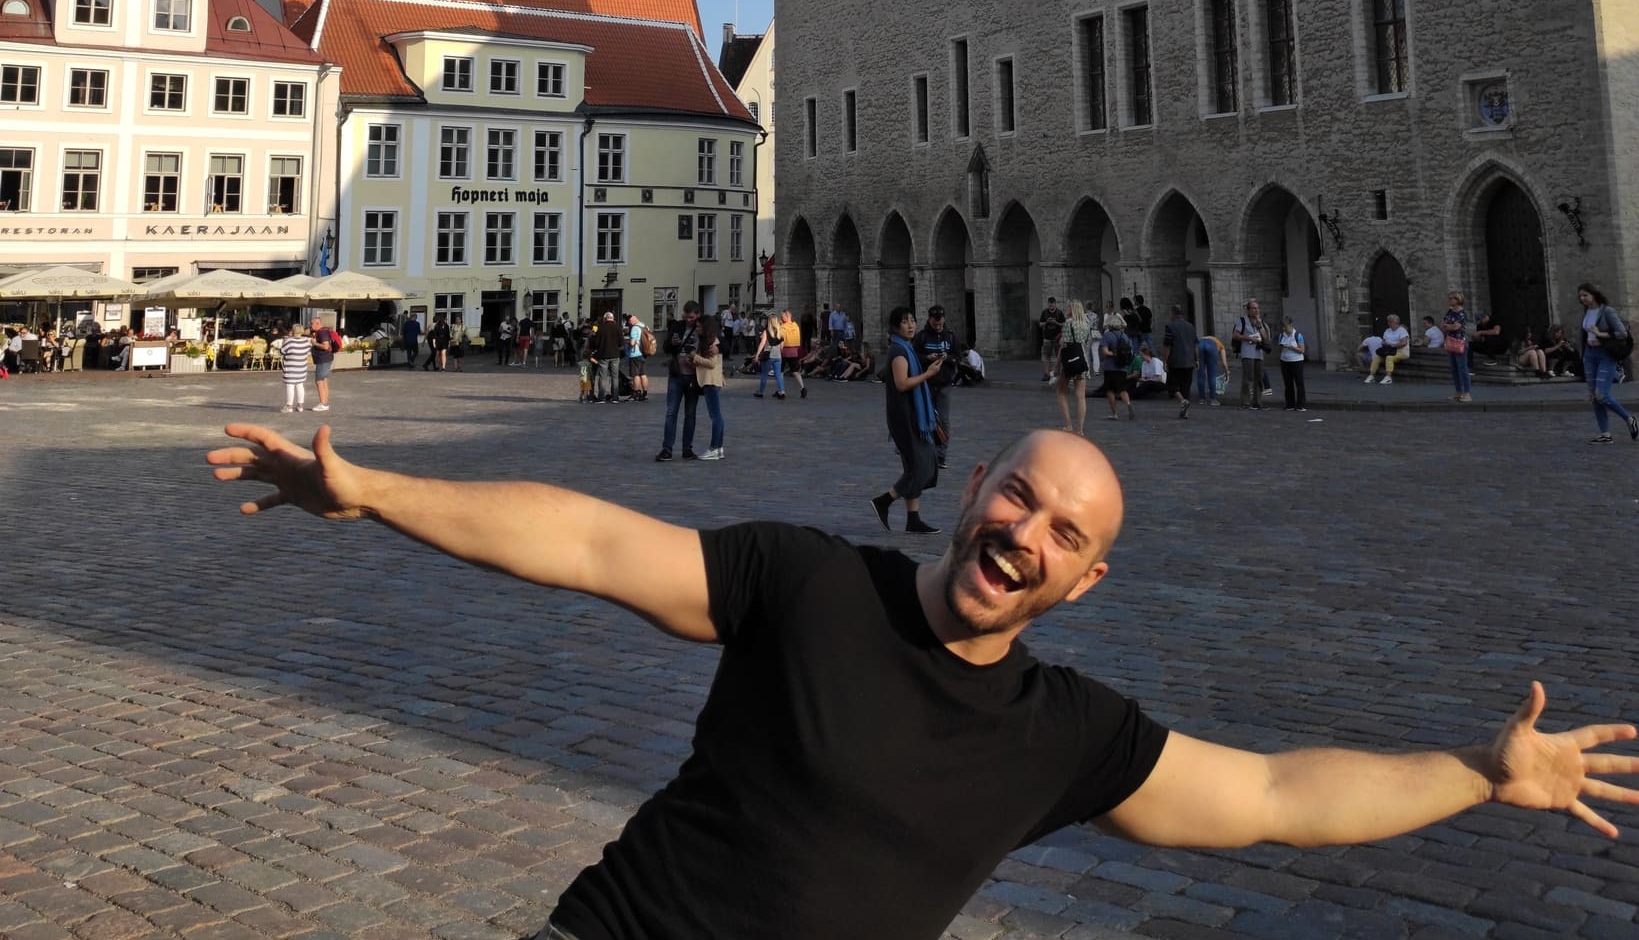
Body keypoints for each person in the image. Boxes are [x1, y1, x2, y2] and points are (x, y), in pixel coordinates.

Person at [207, 422, 1639, 940]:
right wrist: (373, 493)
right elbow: (588, 538)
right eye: (1016, 498)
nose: (1023, 532)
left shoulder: (1061, 736)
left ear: (1085, 585)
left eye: (1062, 535)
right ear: (970, 492)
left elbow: (1269, 794)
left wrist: (1476, 772)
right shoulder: (804, 580)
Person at [870, 307, 942, 535]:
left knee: (918, 464)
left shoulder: (906, 349)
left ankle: (913, 519)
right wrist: (928, 374)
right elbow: (902, 384)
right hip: (905, 417)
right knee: (921, 466)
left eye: (912, 320)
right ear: (894, 327)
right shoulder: (899, 352)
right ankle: (884, 500)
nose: (910, 325)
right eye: (904, 322)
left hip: (911, 415)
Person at [1576, 283, 1637, 447]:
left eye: (1585, 295)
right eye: (1580, 296)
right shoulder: (1586, 311)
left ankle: (1629, 419)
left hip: (1605, 355)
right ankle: (1605, 434)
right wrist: (1582, 355)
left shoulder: (1606, 311)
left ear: (1593, 295)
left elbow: (1622, 332)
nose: (1582, 299)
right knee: (1595, 397)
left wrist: (1600, 333)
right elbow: (1582, 334)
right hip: (1589, 355)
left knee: (1601, 394)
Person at [656, 301, 703, 461]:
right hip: (676, 375)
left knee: (690, 414)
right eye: (686, 316)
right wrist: (672, 343)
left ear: (697, 315)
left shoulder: (701, 328)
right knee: (671, 412)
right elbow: (665, 347)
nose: (688, 320)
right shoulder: (677, 326)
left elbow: (719, 344)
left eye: (691, 317)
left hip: (693, 376)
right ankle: (667, 449)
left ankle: (687, 449)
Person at [916, 305, 959, 459]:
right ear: (930, 320)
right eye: (935, 324)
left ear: (944, 319)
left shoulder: (951, 336)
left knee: (944, 419)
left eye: (940, 323)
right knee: (926, 418)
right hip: (926, 383)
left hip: (944, 384)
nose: (938, 326)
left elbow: (958, 357)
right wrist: (927, 358)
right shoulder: (922, 337)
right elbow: (914, 357)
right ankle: (927, 451)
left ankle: (941, 454)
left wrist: (947, 358)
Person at [1053, 299, 1095, 436]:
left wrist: (1057, 365)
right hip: (1082, 361)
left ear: (1073, 310)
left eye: (1068, 307)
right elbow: (1087, 342)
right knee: (1081, 396)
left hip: (1069, 362)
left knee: (1061, 391)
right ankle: (1080, 429)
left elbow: (1063, 347)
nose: (1066, 309)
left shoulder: (1067, 324)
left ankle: (1068, 424)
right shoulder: (1086, 324)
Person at [692, 315, 726, 460]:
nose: (697, 329)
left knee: (715, 416)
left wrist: (695, 357)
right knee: (716, 416)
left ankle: (714, 447)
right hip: (711, 380)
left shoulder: (713, 342)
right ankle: (718, 448)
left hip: (711, 381)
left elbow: (711, 363)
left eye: (699, 326)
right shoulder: (707, 341)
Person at [1098, 311, 1136, 423]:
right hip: (1122, 367)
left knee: (1110, 390)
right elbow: (1131, 351)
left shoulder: (1107, 336)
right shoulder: (1125, 336)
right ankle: (1128, 404)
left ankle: (1114, 413)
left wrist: (1114, 354)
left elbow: (1105, 352)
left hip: (1110, 367)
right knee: (1122, 389)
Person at [1161, 305, 1197, 421]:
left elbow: (1168, 346)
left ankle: (1182, 401)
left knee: (1172, 386)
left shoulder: (1170, 327)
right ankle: (1185, 412)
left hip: (1176, 361)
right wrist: (1196, 359)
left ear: (1173, 314)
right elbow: (1195, 344)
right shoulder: (1191, 326)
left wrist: (1165, 360)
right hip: (1189, 361)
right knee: (1186, 388)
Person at [1231, 302, 1270, 411]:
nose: (1256, 310)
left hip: (1259, 354)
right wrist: (1248, 338)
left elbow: (1265, 338)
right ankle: (1246, 402)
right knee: (1248, 378)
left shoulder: (1260, 322)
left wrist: (1259, 324)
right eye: (1253, 308)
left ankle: (1257, 402)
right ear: (1248, 310)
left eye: (1257, 308)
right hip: (1247, 353)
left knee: (1259, 378)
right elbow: (1235, 335)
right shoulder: (1242, 321)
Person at [1441, 292, 1474, 403]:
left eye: (1451, 298)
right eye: (1449, 298)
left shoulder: (1462, 313)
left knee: (1462, 368)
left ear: (1458, 299)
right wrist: (1449, 326)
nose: (1449, 300)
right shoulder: (1450, 311)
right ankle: (1459, 392)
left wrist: (1449, 326)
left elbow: (1456, 327)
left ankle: (1467, 393)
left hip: (1460, 342)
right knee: (1454, 368)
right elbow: (1443, 324)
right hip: (1450, 341)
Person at [275, 326, 312, 414]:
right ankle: (300, 406)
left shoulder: (289, 341)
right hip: (301, 367)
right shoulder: (306, 341)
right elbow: (308, 352)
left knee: (290, 386)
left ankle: (289, 406)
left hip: (290, 368)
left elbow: (282, 352)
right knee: (300, 385)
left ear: (292, 331)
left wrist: (284, 342)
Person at [308, 317, 342, 413]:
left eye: (312, 324)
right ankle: (325, 402)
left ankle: (323, 403)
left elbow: (325, 346)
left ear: (318, 323)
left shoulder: (322, 332)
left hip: (323, 359)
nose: (311, 326)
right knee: (324, 380)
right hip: (326, 358)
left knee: (319, 381)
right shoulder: (324, 331)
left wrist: (315, 343)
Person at [1367, 316, 1411, 385]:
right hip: (1389, 351)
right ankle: (1371, 376)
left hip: (1401, 352)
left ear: (1395, 322)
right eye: (1388, 321)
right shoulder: (1387, 331)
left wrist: (1391, 345)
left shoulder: (1402, 330)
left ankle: (1388, 378)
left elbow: (1404, 343)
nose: (1388, 323)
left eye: (1390, 322)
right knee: (1377, 357)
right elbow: (1383, 342)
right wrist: (1385, 344)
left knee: (1389, 357)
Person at [1276, 317, 1307, 411]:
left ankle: (1300, 404)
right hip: (1284, 361)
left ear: (1290, 325)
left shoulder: (1298, 335)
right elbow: (1279, 347)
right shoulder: (1282, 335)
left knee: (1299, 383)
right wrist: (1281, 346)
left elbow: (1302, 350)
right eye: (1283, 327)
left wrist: (1291, 347)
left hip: (1297, 361)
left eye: (1285, 327)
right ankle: (1290, 404)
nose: (1284, 329)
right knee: (1288, 383)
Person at [753, 309, 786, 398]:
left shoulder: (766, 332)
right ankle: (781, 391)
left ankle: (761, 391)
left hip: (768, 355)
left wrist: (757, 355)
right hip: (778, 356)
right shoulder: (780, 332)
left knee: (764, 374)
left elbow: (762, 344)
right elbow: (782, 346)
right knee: (778, 374)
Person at [594, 313, 624, 403]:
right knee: (615, 377)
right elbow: (621, 343)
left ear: (605, 318)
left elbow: (596, 343)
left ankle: (601, 398)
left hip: (603, 355)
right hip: (615, 355)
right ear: (612, 318)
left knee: (603, 377)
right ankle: (615, 398)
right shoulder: (618, 328)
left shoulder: (601, 328)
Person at [779, 308, 807, 399]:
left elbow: (781, 340)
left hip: (784, 351)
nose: (781, 318)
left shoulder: (783, 327)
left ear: (787, 316)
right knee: (795, 371)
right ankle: (802, 387)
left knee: (780, 371)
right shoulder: (796, 326)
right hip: (794, 351)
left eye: (782, 316)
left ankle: (782, 391)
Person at [1038, 297, 1065, 384]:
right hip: (1047, 337)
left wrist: (1056, 322)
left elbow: (1064, 324)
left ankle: (1057, 374)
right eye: (1050, 304)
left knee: (1058, 356)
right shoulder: (1044, 312)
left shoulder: (1059, 312)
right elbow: (1040, 324)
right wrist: (1046, 322)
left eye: (1052, 304)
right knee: (1047, 356)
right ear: (1048, 304)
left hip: (1057, 337)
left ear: (1055, 304)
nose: (1051, 305)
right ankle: (1047, 374)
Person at [1195, 331, 1225, 407]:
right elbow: (1224, 363)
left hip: (1199, 345)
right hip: (1211, 347)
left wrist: (1197, 360)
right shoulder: (1220, 345)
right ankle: (1213, 399)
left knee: (1200, 374)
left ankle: (1202, 399)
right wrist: (1227, 372)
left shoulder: (1202, 339)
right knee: (1212, 375)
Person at [626, 310, 651, 401]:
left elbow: (632, 343)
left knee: (635, 375)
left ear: (631, 321)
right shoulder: (644, 326)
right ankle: (645, 393)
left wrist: (628, 342)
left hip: (635, 353)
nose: (629, 324)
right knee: (643, 374)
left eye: (629, 323)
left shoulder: (634, 328)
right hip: (643, 353)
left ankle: (635, 393)